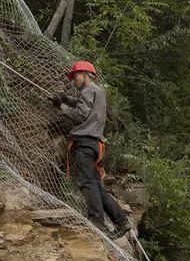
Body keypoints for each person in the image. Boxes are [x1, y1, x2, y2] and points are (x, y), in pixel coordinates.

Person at [52, 61, 133, 237]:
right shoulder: (99, 91)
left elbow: (80, 114)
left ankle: (96, 220)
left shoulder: (88, 90)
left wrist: (61, 106)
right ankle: (121, 221)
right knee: (97, 185)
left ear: (86, 74)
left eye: (76, 76)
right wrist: (66, 99)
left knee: (87, 182)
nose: (74, 80)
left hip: (85, 143)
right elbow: (83, 105)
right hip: (96, 145)